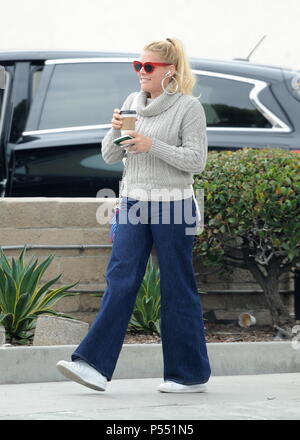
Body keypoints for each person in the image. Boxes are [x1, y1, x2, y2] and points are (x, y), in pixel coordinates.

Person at [56, 37, 211, 393]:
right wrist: (115, 129)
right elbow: (111, 156)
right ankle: (92, 365)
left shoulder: (189, 108)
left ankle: (188, 375)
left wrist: (150, 145)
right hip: (132, 203)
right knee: (121, 278)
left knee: (177, 287)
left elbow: (196, 161)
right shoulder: (131, 103)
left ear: (169, 71)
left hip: (175, 205)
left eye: (149, 67)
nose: (141, 72)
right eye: (137, 66)